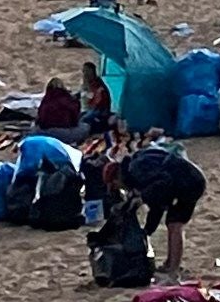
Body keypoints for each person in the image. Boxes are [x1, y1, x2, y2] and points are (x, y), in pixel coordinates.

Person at [111, 142, 205, 276]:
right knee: (172, 224)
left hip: (190, 182)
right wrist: (147, 231)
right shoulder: (135, 167)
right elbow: (157, 205)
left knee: (175, 225)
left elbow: (163, 184)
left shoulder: (137, 169)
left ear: (117, 177)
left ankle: (174, 268)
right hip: (186, 180)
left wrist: (143, 197)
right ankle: (170, 264)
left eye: (116, 185)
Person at [77, 61, 113, 138]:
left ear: (92, 71)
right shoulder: (86, 83)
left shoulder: (97, 84)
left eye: (87, 71)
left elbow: (98, 101)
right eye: (84, 71)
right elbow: (82, 94)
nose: (85, 73)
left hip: (100, 110)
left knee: (83, 120)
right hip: (89, 109)